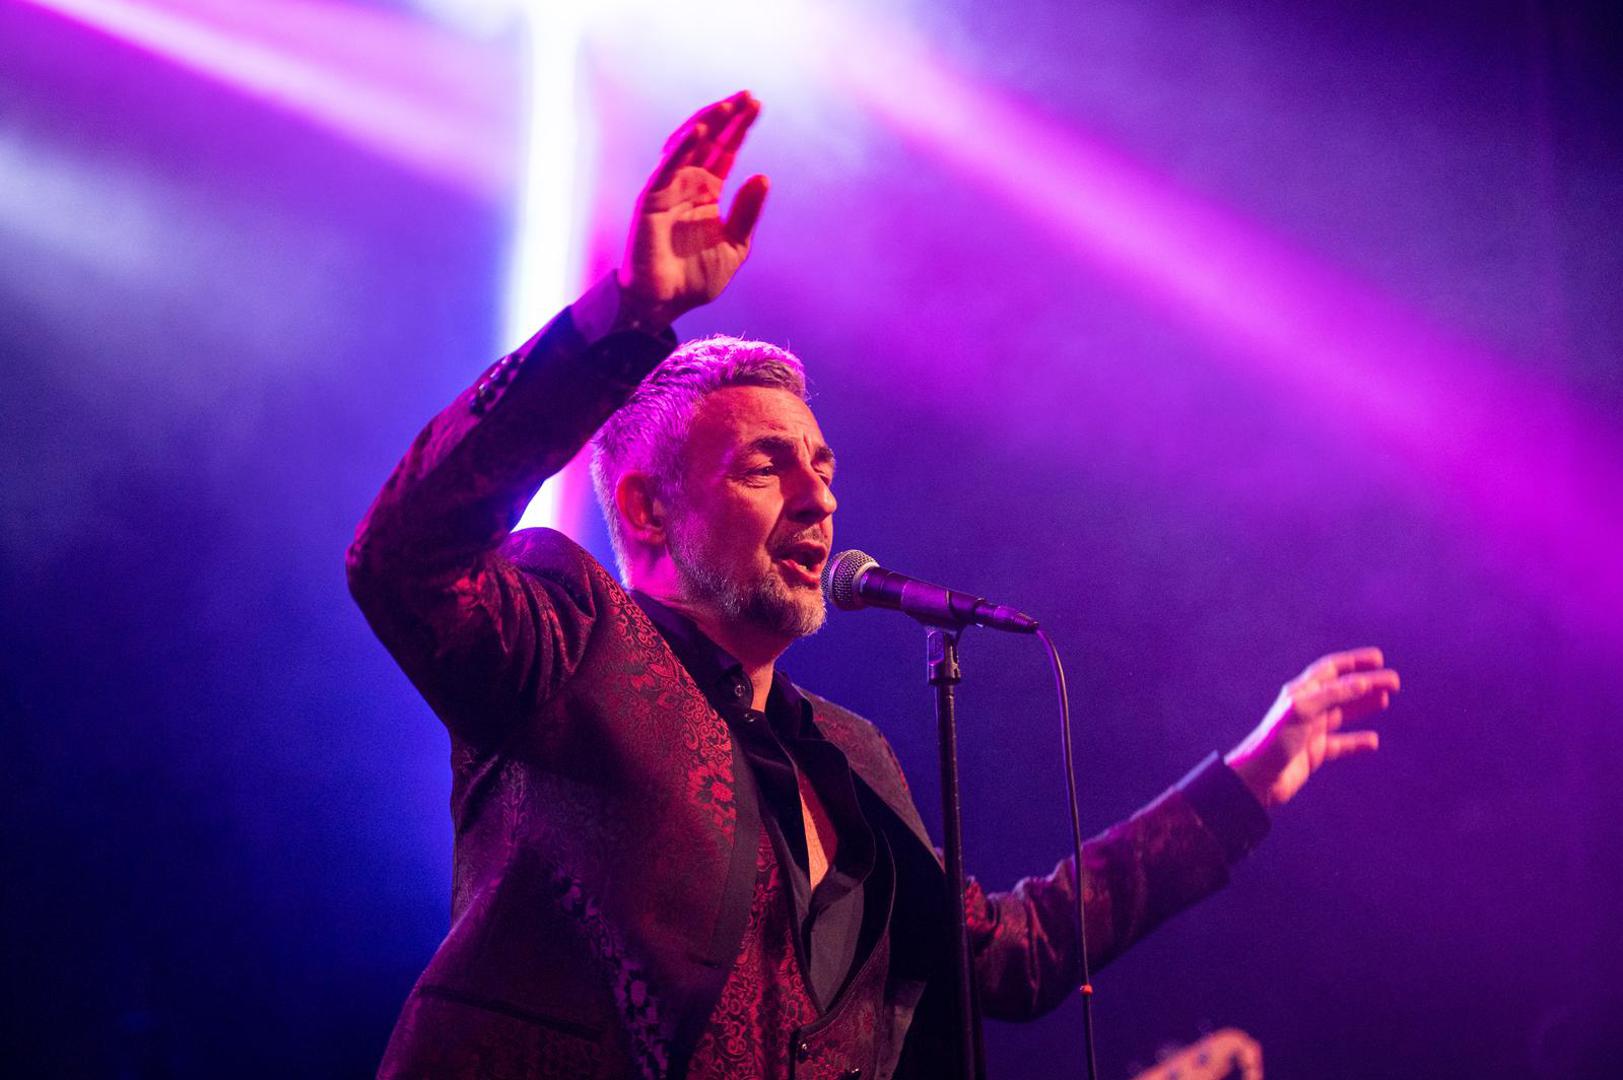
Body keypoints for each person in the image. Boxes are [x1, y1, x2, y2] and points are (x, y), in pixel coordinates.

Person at [347, 90, 1400, 1080]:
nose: (818, 498)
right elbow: (402, 555)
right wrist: (621, 317)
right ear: (646, 510)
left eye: (823, 468)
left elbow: (1016, 953)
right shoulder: (571, 635)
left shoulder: (851, 756)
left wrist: (1244, 786)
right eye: (765, 467)